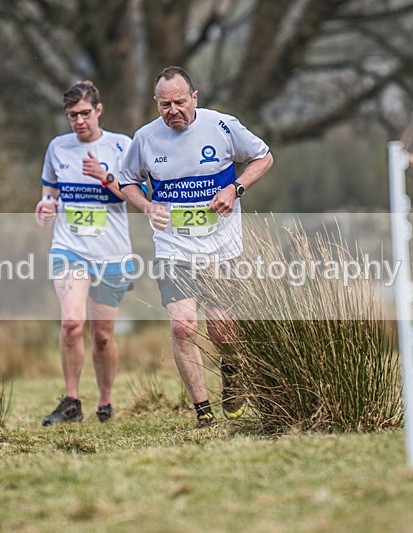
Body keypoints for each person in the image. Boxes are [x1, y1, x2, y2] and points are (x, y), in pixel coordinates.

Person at [118, 66, 274, 427]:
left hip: (222, 246)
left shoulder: (222, 126)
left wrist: (235, 189)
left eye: (179, 102)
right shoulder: (145, 138)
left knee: (223, 329)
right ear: (156, 104)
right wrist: (147, 206)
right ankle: (203, 413)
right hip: (174, 247)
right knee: (183, 327)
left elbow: (264, 157)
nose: (173, 110)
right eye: (164, 104)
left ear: (195, 99)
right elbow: (126, 182)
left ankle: (232, 376)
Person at [35, 81, 135, 426]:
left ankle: (105, 402)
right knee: (72, 324)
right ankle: (72, 401)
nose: (79, 121)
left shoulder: (122, 145)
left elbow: (138, 195)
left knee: (103, 335)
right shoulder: (58, 148)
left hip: (111, 253)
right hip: (69, 248)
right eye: (72, 116)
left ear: (99, 110)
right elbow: (50, 188)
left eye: (85, 114)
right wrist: (46, 204)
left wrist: (105, 176)